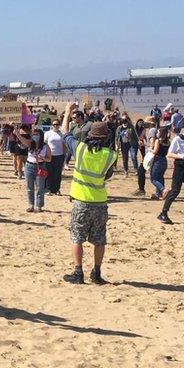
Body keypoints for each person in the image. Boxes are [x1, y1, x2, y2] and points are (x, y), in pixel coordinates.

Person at [60, 102, 116, 285]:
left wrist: (68, 113)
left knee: (77, 237)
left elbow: (65, 134)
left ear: (90, 136)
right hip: (100, 201)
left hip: (81, 201)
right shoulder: (110, 155)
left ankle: (78, 272)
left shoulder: (81, 149)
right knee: (100, 239)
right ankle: (97, 273)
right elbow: (107, 175)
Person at [18, 128, 51, 212]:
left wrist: (42, 158)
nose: (35, 136)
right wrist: (16, 130)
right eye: (34, 135)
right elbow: (21, 138)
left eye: (37, 135)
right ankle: (31, 205)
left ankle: (39, 206)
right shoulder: (30, 144)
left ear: (41, 136)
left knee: (40, 187)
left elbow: (49, 159)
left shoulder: (45, 146)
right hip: (29, 166)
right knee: (29, 187)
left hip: (40, 167)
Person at [43, 122, 64, 195]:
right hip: (49, 155)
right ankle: (48, 189)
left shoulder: (62, 134)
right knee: (48, 173)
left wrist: (65, 155)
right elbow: (44, 143)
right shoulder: (48, 133)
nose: (56, 126)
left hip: (59, 155)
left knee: (57, 173)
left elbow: (64, 145)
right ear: (52, 125)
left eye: (57, 124)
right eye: (54, 124)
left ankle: (56, 189)